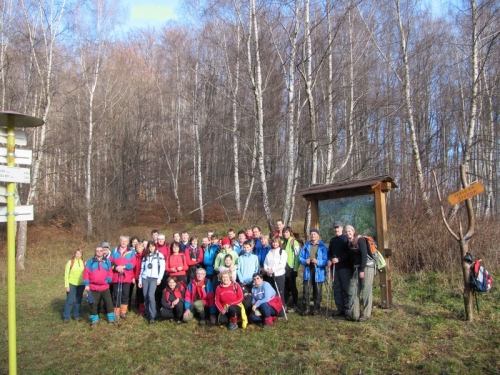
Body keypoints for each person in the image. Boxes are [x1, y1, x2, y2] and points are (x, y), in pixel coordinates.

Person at [345, 225, 375, 322]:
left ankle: (366, 315)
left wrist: (362, 270)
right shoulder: (349, 243)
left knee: (366, 290)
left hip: (367, 267)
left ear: (354, 231)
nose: (348, 233)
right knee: (353, 290)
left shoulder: (360, 240)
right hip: (357, 267)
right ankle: (355, 314)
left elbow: (364, 256)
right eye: (346, 232)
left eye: (350, 231)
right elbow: (351, 259)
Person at [299, 229, 328, 316]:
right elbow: (300, 257)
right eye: (311, 234)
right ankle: (306, 308)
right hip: (308, 269)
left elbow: (325, 260)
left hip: (319, 270)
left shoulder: (323, 247)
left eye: (315, 234)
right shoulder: (306, 245)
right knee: (306, 289)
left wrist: (318, 261)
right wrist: (305, 261)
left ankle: (316, 308)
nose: (313, 236)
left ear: (318, 235)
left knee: (317, 290)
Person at [83, 246, 115, 325]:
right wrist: (86, 284)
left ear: (103, 252)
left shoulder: (107, 261)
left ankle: (111, 319)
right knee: (93, 304)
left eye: (101, 251)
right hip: (94, 287)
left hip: (105, 287)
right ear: (95, 252)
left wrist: (108, 280)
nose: (99, 252)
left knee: (109, 303)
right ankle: (94, 320)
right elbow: (86, 274)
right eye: (97, 251)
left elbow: (110, 273)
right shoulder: (90, 261)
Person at [327, 221, 351, 317]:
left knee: (346, 288)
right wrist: (329, 260)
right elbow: (330, 252)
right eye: (335, 228)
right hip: (334, 268)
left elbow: (349, 253)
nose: (336, 229)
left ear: (342, 228)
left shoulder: (346, 239)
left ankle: (347, 309)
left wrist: (339, 259)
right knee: (336, 288)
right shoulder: (332, 240)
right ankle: (339, 308)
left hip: (344, 267)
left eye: (338, 227)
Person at [138, 240, 166, 324]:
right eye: (149, 246)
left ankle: (153, 315)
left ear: (155, 247)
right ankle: (147, 312)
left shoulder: (159, 255)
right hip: (145, 278)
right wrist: (140, 280)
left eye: (152, 246)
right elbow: (142, 269)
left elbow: (162, 268)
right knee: (145, 295)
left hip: (154, 278)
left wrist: (159, 279)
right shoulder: (145, 256)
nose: (151, 248)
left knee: (151, 295)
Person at [109, 236, 136, 319]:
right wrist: (116, 267)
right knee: (116, 295)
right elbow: (110, 262)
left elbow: (132, 263)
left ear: (127, 242)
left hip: (126, 276)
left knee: (125, 294)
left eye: (125, 241)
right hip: (116, 276)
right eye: (122, 241)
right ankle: (116, 312)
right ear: (119, 241)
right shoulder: (114, 250)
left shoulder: (131, 251)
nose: (123, 243)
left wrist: (123, 267)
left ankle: (123, 312)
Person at [263, 236, 287, 309]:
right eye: (273, 242)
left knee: (279, 292)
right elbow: (265, 263)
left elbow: (282, 264)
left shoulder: (282, 252)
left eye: (276, 242)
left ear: (279, 243)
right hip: (270, 276)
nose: (274, 244)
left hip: (278, 275)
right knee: (272, 293)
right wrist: (267, 269)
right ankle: (274, 308)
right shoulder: (270, 252)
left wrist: (273, 269)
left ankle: (282, 309)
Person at [63, 250, 85, 323]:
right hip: (71, 284)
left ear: (82, 255)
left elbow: (86, 273)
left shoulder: (84, 262)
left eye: (80, 254)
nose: (78, 255)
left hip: (81, 284)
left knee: (78, 300)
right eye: (77, 253)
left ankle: (76, 315)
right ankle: (66, 317)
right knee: (70, 300)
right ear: (74, 254)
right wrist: (67, 286)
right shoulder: (70, 262)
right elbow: (66, 274)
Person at [282, 227, 300, 313]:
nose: (285, 234)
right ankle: (285, 304)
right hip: (283, 268)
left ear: (290, 233)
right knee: (285, 287)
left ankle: (295, 305)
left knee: (293, 287)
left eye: (287, 232)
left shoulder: (294, 242)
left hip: (291, 268)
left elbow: (297, 256)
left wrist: (295, 269)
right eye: (284, 232)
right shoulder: (282, 242)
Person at [133, 242, 147, 316]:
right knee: (139, 292)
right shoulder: (135, 256)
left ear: (143, 248)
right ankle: (140, 307)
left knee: (143, 292)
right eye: (137, 248)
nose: (139, 249)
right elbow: (133, 267)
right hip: (137, 276)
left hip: (144, 276)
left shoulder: (145, 256)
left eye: (140, 247)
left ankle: (144, 308)